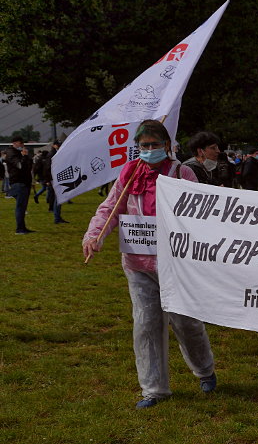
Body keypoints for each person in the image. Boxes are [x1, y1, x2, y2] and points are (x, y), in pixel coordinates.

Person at [82, 119, 217, 409]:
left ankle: (205, 370)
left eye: (155, 144)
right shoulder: (130, 173)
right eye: (144, 145)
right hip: (137, 263)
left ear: (167, 145)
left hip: (176, 265)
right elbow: (111, 206)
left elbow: (201, 214)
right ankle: (154, 389)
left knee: (186, 322)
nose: (150, 150)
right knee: (146, 324)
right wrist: (95, 235)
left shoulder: (183, 173)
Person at [5, 136, 34, 234]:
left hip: (24, 182)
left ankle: (22, 227)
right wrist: (25, 156)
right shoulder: (11, 153)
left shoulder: (17, 153)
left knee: (22, 207)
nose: (22, 145)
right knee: (20, 207)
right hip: (18, 182)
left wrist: (26, 158)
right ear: (15, 143)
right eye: (21, 143)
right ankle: (20, 229)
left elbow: (29, 166)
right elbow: (20, 166)